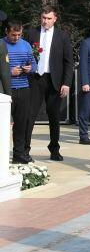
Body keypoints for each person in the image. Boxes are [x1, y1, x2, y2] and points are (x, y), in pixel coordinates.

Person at [27, 6, 74, 161]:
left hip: (55, 81)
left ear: (55, 19)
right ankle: (25, 149)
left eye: (48, 18)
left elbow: (68, 62)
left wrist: (66, 83)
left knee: (54, 117)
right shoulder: (32, 33)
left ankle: (54, 149)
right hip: (35, 79)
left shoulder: (62, 36)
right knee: (30, 115)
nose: (45, 21)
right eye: (43, 18)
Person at [5, 21, 37, 163]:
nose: (16, 38)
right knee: (3, 124)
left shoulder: (26, 45)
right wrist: (9, 72)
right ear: (7, 32)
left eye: (19, 35)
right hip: (5, 90)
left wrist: (30, 69)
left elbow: (34, 64)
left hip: (23, 89)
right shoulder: (1, 45)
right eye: (13, 35)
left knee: (21, 123)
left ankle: (19, 154)